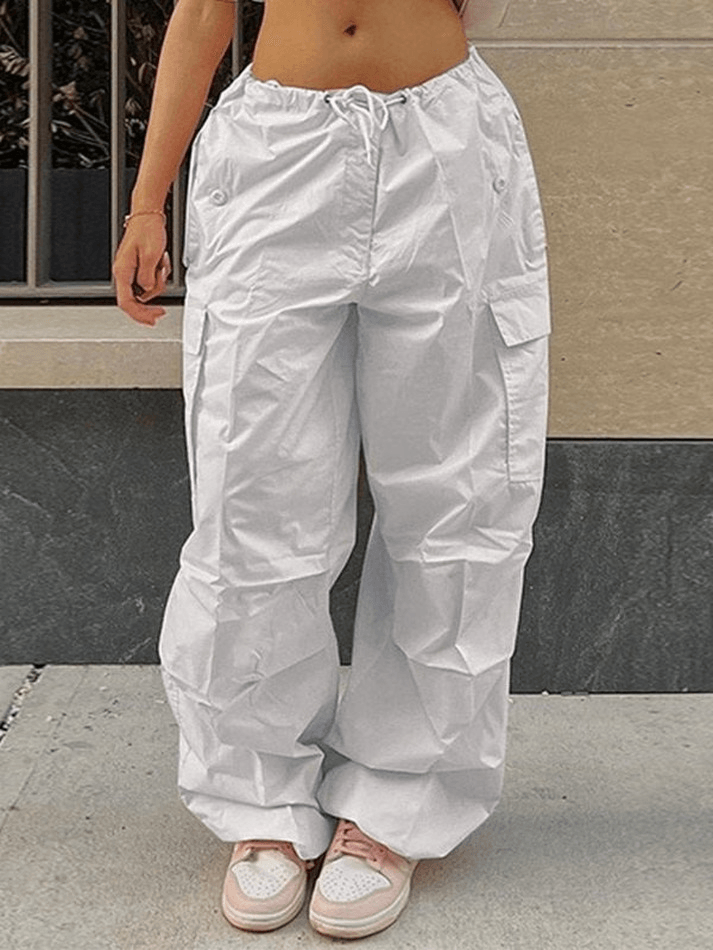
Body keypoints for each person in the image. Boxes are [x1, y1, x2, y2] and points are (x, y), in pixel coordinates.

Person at [113, 0, 550, 939]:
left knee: (456, 495)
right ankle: (261, 799)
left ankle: (397, 803)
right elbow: (203, 10)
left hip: (444, 143)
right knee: (253, 492)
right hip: (277, 150)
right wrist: (148, 201)